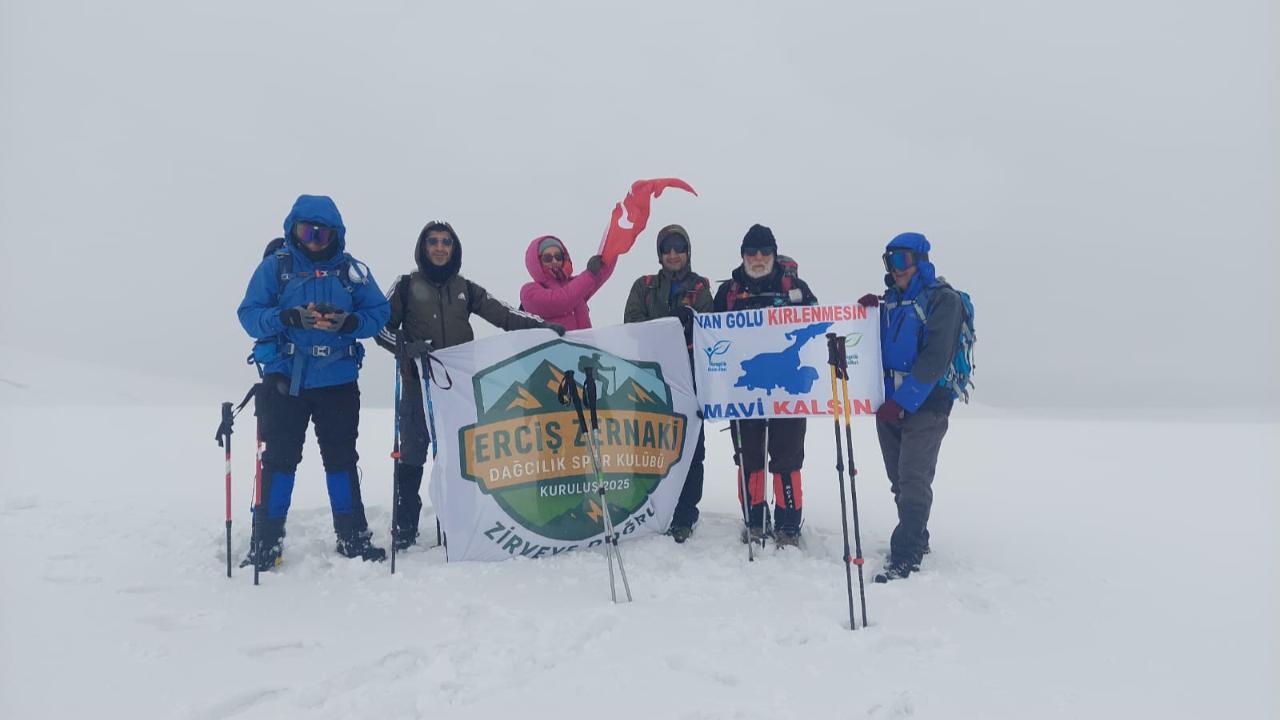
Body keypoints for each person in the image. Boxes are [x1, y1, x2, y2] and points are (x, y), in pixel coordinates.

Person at [377, 221, 564, 550]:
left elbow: (504, 314)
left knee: (461, 457)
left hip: (458, 390)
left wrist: (543, 327)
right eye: (433, 241)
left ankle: (461, 523)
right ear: (423, 247)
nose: (439, 247)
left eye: (445, 242)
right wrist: (406, 346)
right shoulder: (406, 285)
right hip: (417, 387)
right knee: (411, 456)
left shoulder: (466, 288)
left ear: (453, 248)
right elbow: (380, 328)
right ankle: (404, 528)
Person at [237, 194, 391, 569]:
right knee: (279, 460)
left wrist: (351, 323)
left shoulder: (352, 271)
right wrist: (287, 317)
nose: (314, 239)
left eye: (323, 233)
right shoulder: (277, 268)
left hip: (337, 381)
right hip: (285, 381)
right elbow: (249, 314)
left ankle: (353, 537)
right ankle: (266, 543)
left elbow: (378, 311)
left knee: (341, 459)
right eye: (307, 231)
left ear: (335, 233)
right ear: (293, 230)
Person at [858, 232, 964, 582]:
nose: (896, 269)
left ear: (920, 260)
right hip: (889, 403)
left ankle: (905, 554)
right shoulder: (890, 302)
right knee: (899, 480)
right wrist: (866, 316)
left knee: (913, 477)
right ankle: (918, 534)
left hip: (927, 403)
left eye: (902, 260)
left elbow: (935, 358)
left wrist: (905, 402)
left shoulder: (942, 300)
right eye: (890, 262)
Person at [712, 224, 818, 548]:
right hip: (744, 389)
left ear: (774, 253)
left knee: (787, 457)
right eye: (751, 252)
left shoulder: (795, 288)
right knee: (749, 457)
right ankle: (754, 521)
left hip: (786, 389)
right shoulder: (728, 293)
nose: (758, 258)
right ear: (743, 255)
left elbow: (814, 329)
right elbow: (712, 338)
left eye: (764, 252)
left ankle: (788, 525)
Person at [622, 224, 714, 543]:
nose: (673, 254)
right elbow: (632, 325)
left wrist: (685, 322)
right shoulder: (643, 286)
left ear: (688, 251)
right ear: (660, 254)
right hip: (648, 382)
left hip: (689, 382)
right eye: (667, 249)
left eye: (679, 248)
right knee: (647, 447)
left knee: (691, 450)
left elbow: (706, 327)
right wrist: (673, 322)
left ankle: (685, 513)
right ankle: (647, 509)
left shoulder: (701, 287)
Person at [519, 236, 615, 330]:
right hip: (555, 346)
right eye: (547, 258)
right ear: (537, 261)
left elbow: (602, 273)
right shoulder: (528, 292)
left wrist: (615, 243)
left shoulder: (575, 284)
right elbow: (560, 302)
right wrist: (589, 274)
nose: (554, 261)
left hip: (585, 345)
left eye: (558, 256)